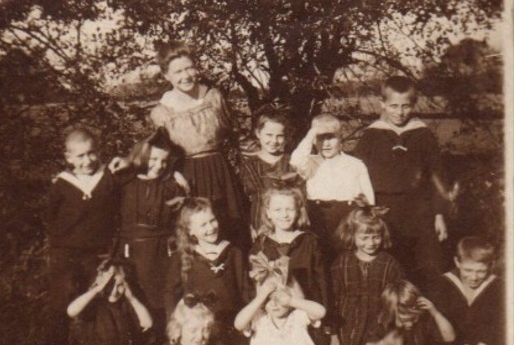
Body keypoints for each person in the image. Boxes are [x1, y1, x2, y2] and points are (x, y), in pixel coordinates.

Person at [354, 75, 453, 288]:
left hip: (419, 210)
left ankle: (426, 312)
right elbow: (356, 172)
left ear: (414, 104)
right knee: (388, 260)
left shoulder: (423, 135)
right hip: (382, 208)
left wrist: (439, 214)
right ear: (383, 104)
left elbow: (437, 176)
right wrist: (363, 207)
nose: (399, 112)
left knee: (427, 264)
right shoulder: (371, 135)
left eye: (406, 106)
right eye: (393, 106)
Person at [150, 42, 246, 246]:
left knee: (230, 229)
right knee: (197, 233)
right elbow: (160, 153)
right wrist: (173, 175)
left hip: (220, 172)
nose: (186, 76)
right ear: (166, 75)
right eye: (178, 71)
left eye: (189, 68)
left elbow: (237, 135)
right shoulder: (161, 112)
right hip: (186, 176)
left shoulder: (213, 98)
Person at [46, 126, 118, 345]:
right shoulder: (61, 185)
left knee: (97, 305)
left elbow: (140, 164)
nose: (87, 160)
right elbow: (50, 218)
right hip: (66, 255)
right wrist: (60, 245)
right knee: (61, 304)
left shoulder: (108, 178)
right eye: (80, 156)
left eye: (91, 153)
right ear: (68, 158)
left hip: (98, 254)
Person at [114, 128, 187, 340]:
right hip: (131, 249)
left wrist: (183, 186)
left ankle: (162, 343)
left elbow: (183, 217)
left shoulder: (170, 186)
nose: (158, 165)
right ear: (143, 155)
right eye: (153, 159)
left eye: (164, 161)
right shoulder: (125, 182)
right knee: (134, 295)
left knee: (159, 298)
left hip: (160, 252)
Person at [164, 197, 249, 345]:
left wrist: (248, 319)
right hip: (200, 329)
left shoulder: (233, 252)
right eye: (203, 225)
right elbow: (170, 293)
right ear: (190, 230)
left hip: (232, 325)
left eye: (212, 221)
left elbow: (244, 288)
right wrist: (174, 324)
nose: (211, 228)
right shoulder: (183, 257)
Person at [329, 207, 403, 345]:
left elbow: (398, 300)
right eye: (364, 238)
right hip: (347, 326)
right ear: (352, 236)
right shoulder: (342, 262)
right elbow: (333, 300)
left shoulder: (389, 264)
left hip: (378, 324)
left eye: (375, 237)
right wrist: (333, 334)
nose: (370, 243)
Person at [290, 113, 375, 258]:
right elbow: (295, 161)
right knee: (320, 258)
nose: (326, 144)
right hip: (318, 216)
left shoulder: (355, 164)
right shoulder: (310, 162)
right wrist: (312, 133)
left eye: (331, 137)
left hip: (347, 217)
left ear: (340, 137)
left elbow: (369, 200)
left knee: (346, 257)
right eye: (321, 138)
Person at [427, 236, 505, 345]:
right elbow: (437, 326)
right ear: (457, 262)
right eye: (468, 270)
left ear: (491, 265)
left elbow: (502, 323)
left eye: (481, 271)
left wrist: (484, 343)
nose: (474, 277)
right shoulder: (443, 284)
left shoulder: (498, 286)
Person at [250, 187, 330, 321]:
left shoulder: (310, 242)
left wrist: (328, 324)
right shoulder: (261, 244)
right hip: (272, 316)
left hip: (307, 315)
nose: (284, 214)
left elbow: (323, 282)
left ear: (298, 211)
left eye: (289, 209)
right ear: (268, 213)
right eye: (278, 210)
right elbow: (253, 285)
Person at [234, 266, 327, 345]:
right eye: (268, 299)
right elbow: (238, 324)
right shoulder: (259, 318)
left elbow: (321, 312)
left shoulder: (298, 316)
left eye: (279, 298)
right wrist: (260, 296)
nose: (274, 304)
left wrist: (290, 301)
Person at [66, 261, 153, 345]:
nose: (115, 291)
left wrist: (132, 298)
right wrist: (97, 289)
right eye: (110, 285)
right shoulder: (95, 304)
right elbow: (71, 311)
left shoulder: (126, 304)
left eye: (120, 285)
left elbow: (148, 323)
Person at [364, 279, 456, 345]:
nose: (411, 323)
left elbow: (450, 338)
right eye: (405, 319)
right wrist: (385, 343)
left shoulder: (425, 320)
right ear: (390, 312)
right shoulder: (382, 322)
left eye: (414, 318)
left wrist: (435, 313)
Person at [238, 107, 300, 239]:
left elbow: (300, 197)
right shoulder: (248, 165)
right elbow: (242, 201)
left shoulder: (292, 162)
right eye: (269, 135)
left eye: (279, 136)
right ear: (258, 133)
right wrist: (249, 226)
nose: (274, 141)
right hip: (258, 226)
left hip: (289, 224)